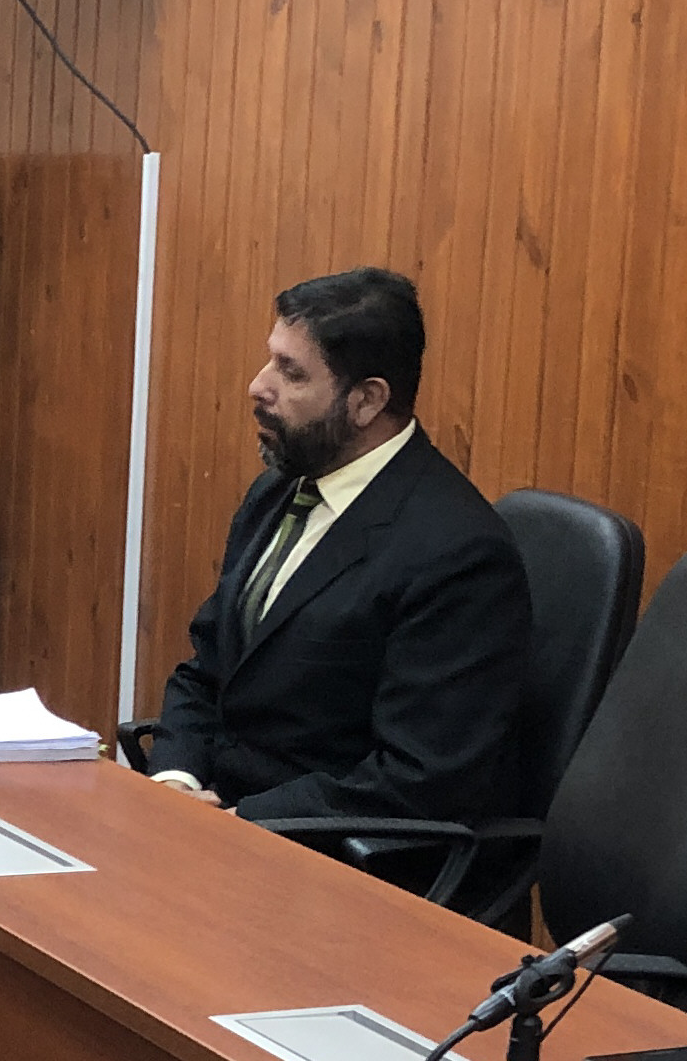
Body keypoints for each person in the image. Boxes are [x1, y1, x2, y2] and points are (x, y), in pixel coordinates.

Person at [141, 268, 536, 827]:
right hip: (221, 821)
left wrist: (234, 821)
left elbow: (419, 779)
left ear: (367, 401)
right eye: (270, 359)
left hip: (326, 850)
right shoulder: (279, 492)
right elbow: (207, 672)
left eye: (291, 372)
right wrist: (174, 782)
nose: (258, 386)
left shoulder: (458, 554)